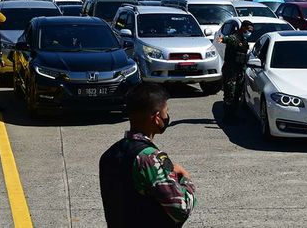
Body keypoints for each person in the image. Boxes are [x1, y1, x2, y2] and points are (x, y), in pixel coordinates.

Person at [99, 82, 196, 228]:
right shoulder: (149, 158)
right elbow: (180, 210)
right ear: (156, 118)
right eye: (165, 111)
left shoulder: (110, 153)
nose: (167, 116)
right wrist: (186, 180)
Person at [217, 20, 254, 122]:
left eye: (251, 31)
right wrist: (221, 39)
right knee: (230, 94)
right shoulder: (234, 38)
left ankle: (234, 115)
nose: (249, 32)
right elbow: (224, 39)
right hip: (231, 71)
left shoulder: (244, 40)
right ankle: (227, 117)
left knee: (237, 94)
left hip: (240, 71)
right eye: (248, 30)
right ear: (243, 28)